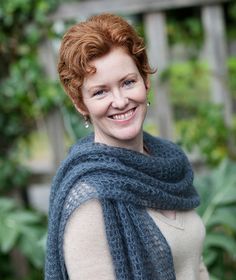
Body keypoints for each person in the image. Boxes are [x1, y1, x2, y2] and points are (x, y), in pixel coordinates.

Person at [45, 13, 209, 280]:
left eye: (127, 82)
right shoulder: (90, 200)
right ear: (80, 103)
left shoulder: (168, 164)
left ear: (146, 80)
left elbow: (195, 265)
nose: (120, 101)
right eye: (100, 92)